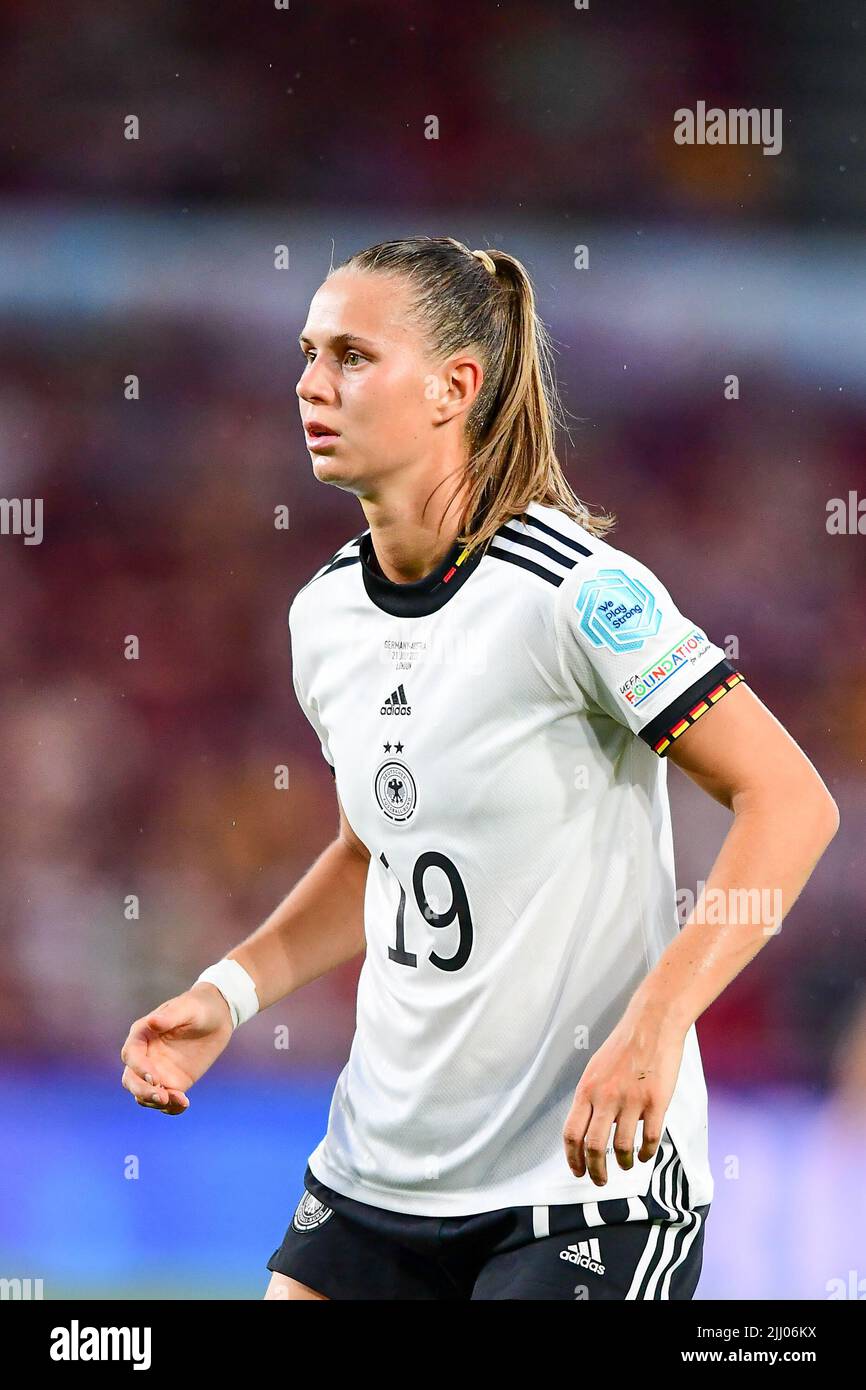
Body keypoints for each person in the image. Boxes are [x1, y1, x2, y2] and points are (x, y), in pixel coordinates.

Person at [120, 236, 839, 1300]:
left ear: (456, 386)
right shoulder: (321, 614)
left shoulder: (576, 593)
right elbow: (379, 854)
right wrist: (232, 989)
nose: (311, 384)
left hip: (583, 1187)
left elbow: (787, 799)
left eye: (354, 356)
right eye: (309, 353)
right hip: (377, 1174)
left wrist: (655, 1022)